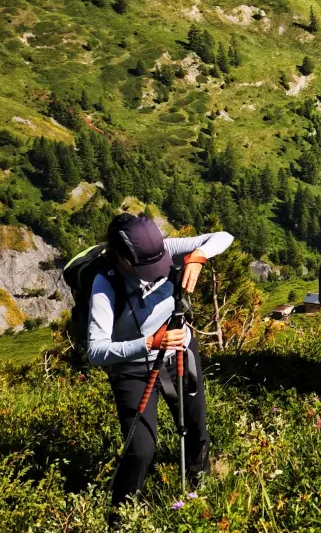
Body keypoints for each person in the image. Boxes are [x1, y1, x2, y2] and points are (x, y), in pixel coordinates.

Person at [86, 213, 234, 506]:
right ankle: (122, 515)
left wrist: (199, 256)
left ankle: (199, 490)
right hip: (133, 371)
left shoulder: (163, 250)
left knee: (196, 428)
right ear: (124, 258)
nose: (157, 272)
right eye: (147, 268)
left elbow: (224, 236)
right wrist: (148, 343)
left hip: (180, 353)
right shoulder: (105, 283)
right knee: (140, 449)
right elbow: (96, 351)